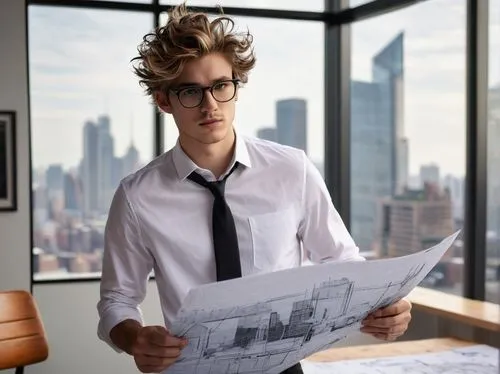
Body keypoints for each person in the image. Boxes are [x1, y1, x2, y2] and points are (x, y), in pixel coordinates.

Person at [97, 2, 412, 373]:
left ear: (236, 86)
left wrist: (386, 307)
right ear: (164, 100)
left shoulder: (290, 169)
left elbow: (342, 260)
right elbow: (117, 299)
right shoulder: (137, 197)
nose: (210, 105)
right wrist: (134, 337)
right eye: (190, 92)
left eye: (220, 86)